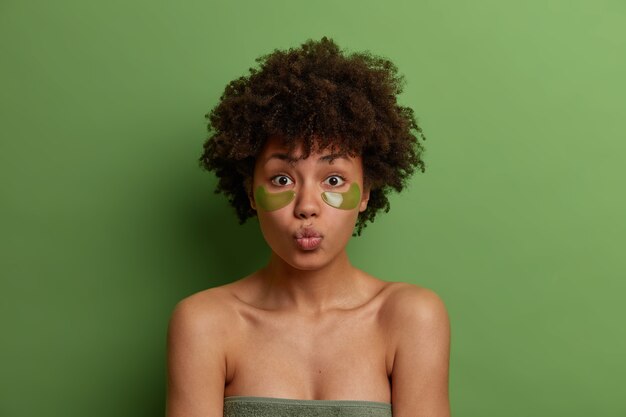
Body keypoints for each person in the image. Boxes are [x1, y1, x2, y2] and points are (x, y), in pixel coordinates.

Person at [166, 37, 451, 417]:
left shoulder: (410, 317)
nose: (306, 207)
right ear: (251, 192)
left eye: (333, 180)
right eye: (282, 179)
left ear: (365, 192)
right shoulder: (204, 323)